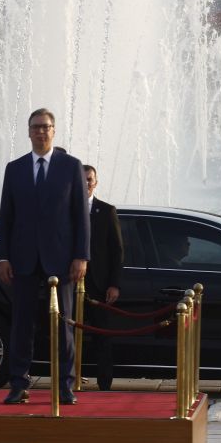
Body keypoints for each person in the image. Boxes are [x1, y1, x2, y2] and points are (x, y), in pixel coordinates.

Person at [0, 108, 90, 405]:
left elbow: (80, 217)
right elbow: (6, 217)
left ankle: (64, 385)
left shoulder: (70, 166)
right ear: (28, 131)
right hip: (22, 259)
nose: (40, 132)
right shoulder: (15, 168)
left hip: (61, 260)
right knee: (21, 324)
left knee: (63, 325)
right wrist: (3, 257)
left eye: (45, 127)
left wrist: (81, 256)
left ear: (54, 130)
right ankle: (19, 384)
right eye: (35, 127)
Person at [83, 165, 124, 391]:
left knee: (103, 338)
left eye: (90, 179)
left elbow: (117, 251)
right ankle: (69, 380)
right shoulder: (66, 210)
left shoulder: (107, 211)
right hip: (71, 284)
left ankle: (104, 384)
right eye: (82, 180)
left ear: (96, 183)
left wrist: (114, 284)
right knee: (68, 336)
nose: (86, 183)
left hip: (100, 287)